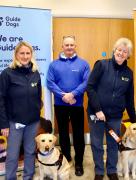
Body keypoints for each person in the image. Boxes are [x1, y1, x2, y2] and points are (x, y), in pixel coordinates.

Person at [87, 37, 136, 180]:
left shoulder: (129, 73)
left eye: (125, 51)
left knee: (113, 144)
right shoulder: (102, 65)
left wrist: (133, 119)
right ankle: (99, 172)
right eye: (119, 50)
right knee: (97, 144)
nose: (121, 53)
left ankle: (112, 170)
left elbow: (129, 98)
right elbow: (90, 87)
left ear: (128, 55)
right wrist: (97, 109)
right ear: (114, 50)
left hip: (115, 116)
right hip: (96, 114)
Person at [46, 35, 90, 176]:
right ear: (62, 46)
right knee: (63, 134)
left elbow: (86, 82)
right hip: (60, 105)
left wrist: (72, 95)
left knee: (78, 134)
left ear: (75, 46)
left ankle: (78, 163)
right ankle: (66, 159)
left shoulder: (83, 64)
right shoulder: (54, 65)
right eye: (67, 45)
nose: (69, 47)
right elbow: (50, 82)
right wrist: (64, 96)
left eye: (72, 45)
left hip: (77, 105)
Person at [0, 41, 42, 180]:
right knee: (12, 155)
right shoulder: (7, 73)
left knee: (30, 152)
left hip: (32, 122)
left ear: (31, 54)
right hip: (14, 123)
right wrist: (4, 124)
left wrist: (37, 112)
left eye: (28, 53)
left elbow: (38, 95)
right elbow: (1, 99)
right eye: (22, 53)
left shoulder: (35, 73)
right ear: (16, 55)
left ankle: (28, 176)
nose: (25, 56)